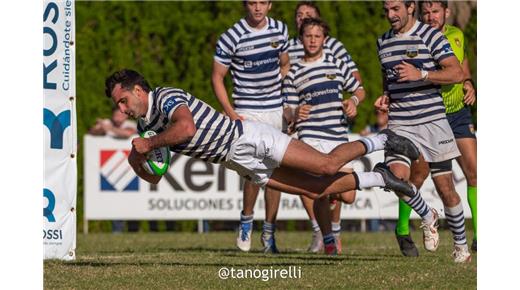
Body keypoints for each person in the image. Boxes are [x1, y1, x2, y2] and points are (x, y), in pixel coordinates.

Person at [104, 69, 429, 251]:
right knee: (315, 190)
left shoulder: (166, 96)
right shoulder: (147, 126)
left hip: (250, 138)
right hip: (241, 163)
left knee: (327, 166)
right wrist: (137, 165)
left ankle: (382, 140)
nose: (121, 109)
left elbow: (186, 128)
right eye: (117, 105)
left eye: (122, 100)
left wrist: (148, 143)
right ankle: (382, 178)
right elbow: (157, 176)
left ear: (138, 90)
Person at [375, 0, 471, 263]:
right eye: (386, 10)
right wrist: (385, 96)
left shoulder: (431, 35)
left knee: (445, 188)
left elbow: (455, 73)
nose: (390, 15)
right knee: (395, 178)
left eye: (395, 9)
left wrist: (422, 73)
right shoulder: (382, 41)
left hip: (432, 122)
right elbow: (388, 75)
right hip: (400, 123)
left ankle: (461, 247)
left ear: (410, 8)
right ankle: (428, 214)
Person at [211, 0, 290, 253]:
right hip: (246, 111)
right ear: (245, 5)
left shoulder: (280, 29)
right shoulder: (231, 36)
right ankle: (246, 221)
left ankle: (269, 233)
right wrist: (232, 112)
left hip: (274, 111)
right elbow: (217, 77)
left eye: (262, 2)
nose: (257, 8)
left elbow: (285, 63)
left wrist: (283, 96)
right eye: (252, 2)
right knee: (254, 171)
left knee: (275, 172)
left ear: (270, 5)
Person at [283, 18, 365, 255]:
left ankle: (329, 194)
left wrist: (354, 101)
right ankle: (328, 239)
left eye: (317, 36)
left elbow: (359, 89)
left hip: (337, 134)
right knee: (318, 188)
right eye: (308, 36)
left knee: (348, 195)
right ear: (301, 39)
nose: (312, 40)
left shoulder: (337, 64)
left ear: (324, 39)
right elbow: (287, 109)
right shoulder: (294, 72)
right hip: (311, 135)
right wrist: (295, 112)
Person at [414, 0, 477, 252]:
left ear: (446, 13)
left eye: (435, 11)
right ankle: (403, 229)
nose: (431, 16)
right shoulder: (416, 40)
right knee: (419, 177)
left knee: (474, 173)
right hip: (430, 117)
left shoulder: (457, 34)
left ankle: (479, 238)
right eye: (426, 12)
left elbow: (461, 65)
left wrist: (469, 82)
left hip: (458, 113)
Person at [88, 108, 138, 233]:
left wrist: (108, 128)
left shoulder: (130, 124)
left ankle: (133, 229)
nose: (118, 116)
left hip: (128, 167)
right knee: (116, 201)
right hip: (110, 167)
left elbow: (127, 134)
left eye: (121, 113)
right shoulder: (107, 122)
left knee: (131, 201)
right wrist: (101, 128)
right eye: (116, 113)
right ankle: (117, 230)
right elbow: (92, 132)